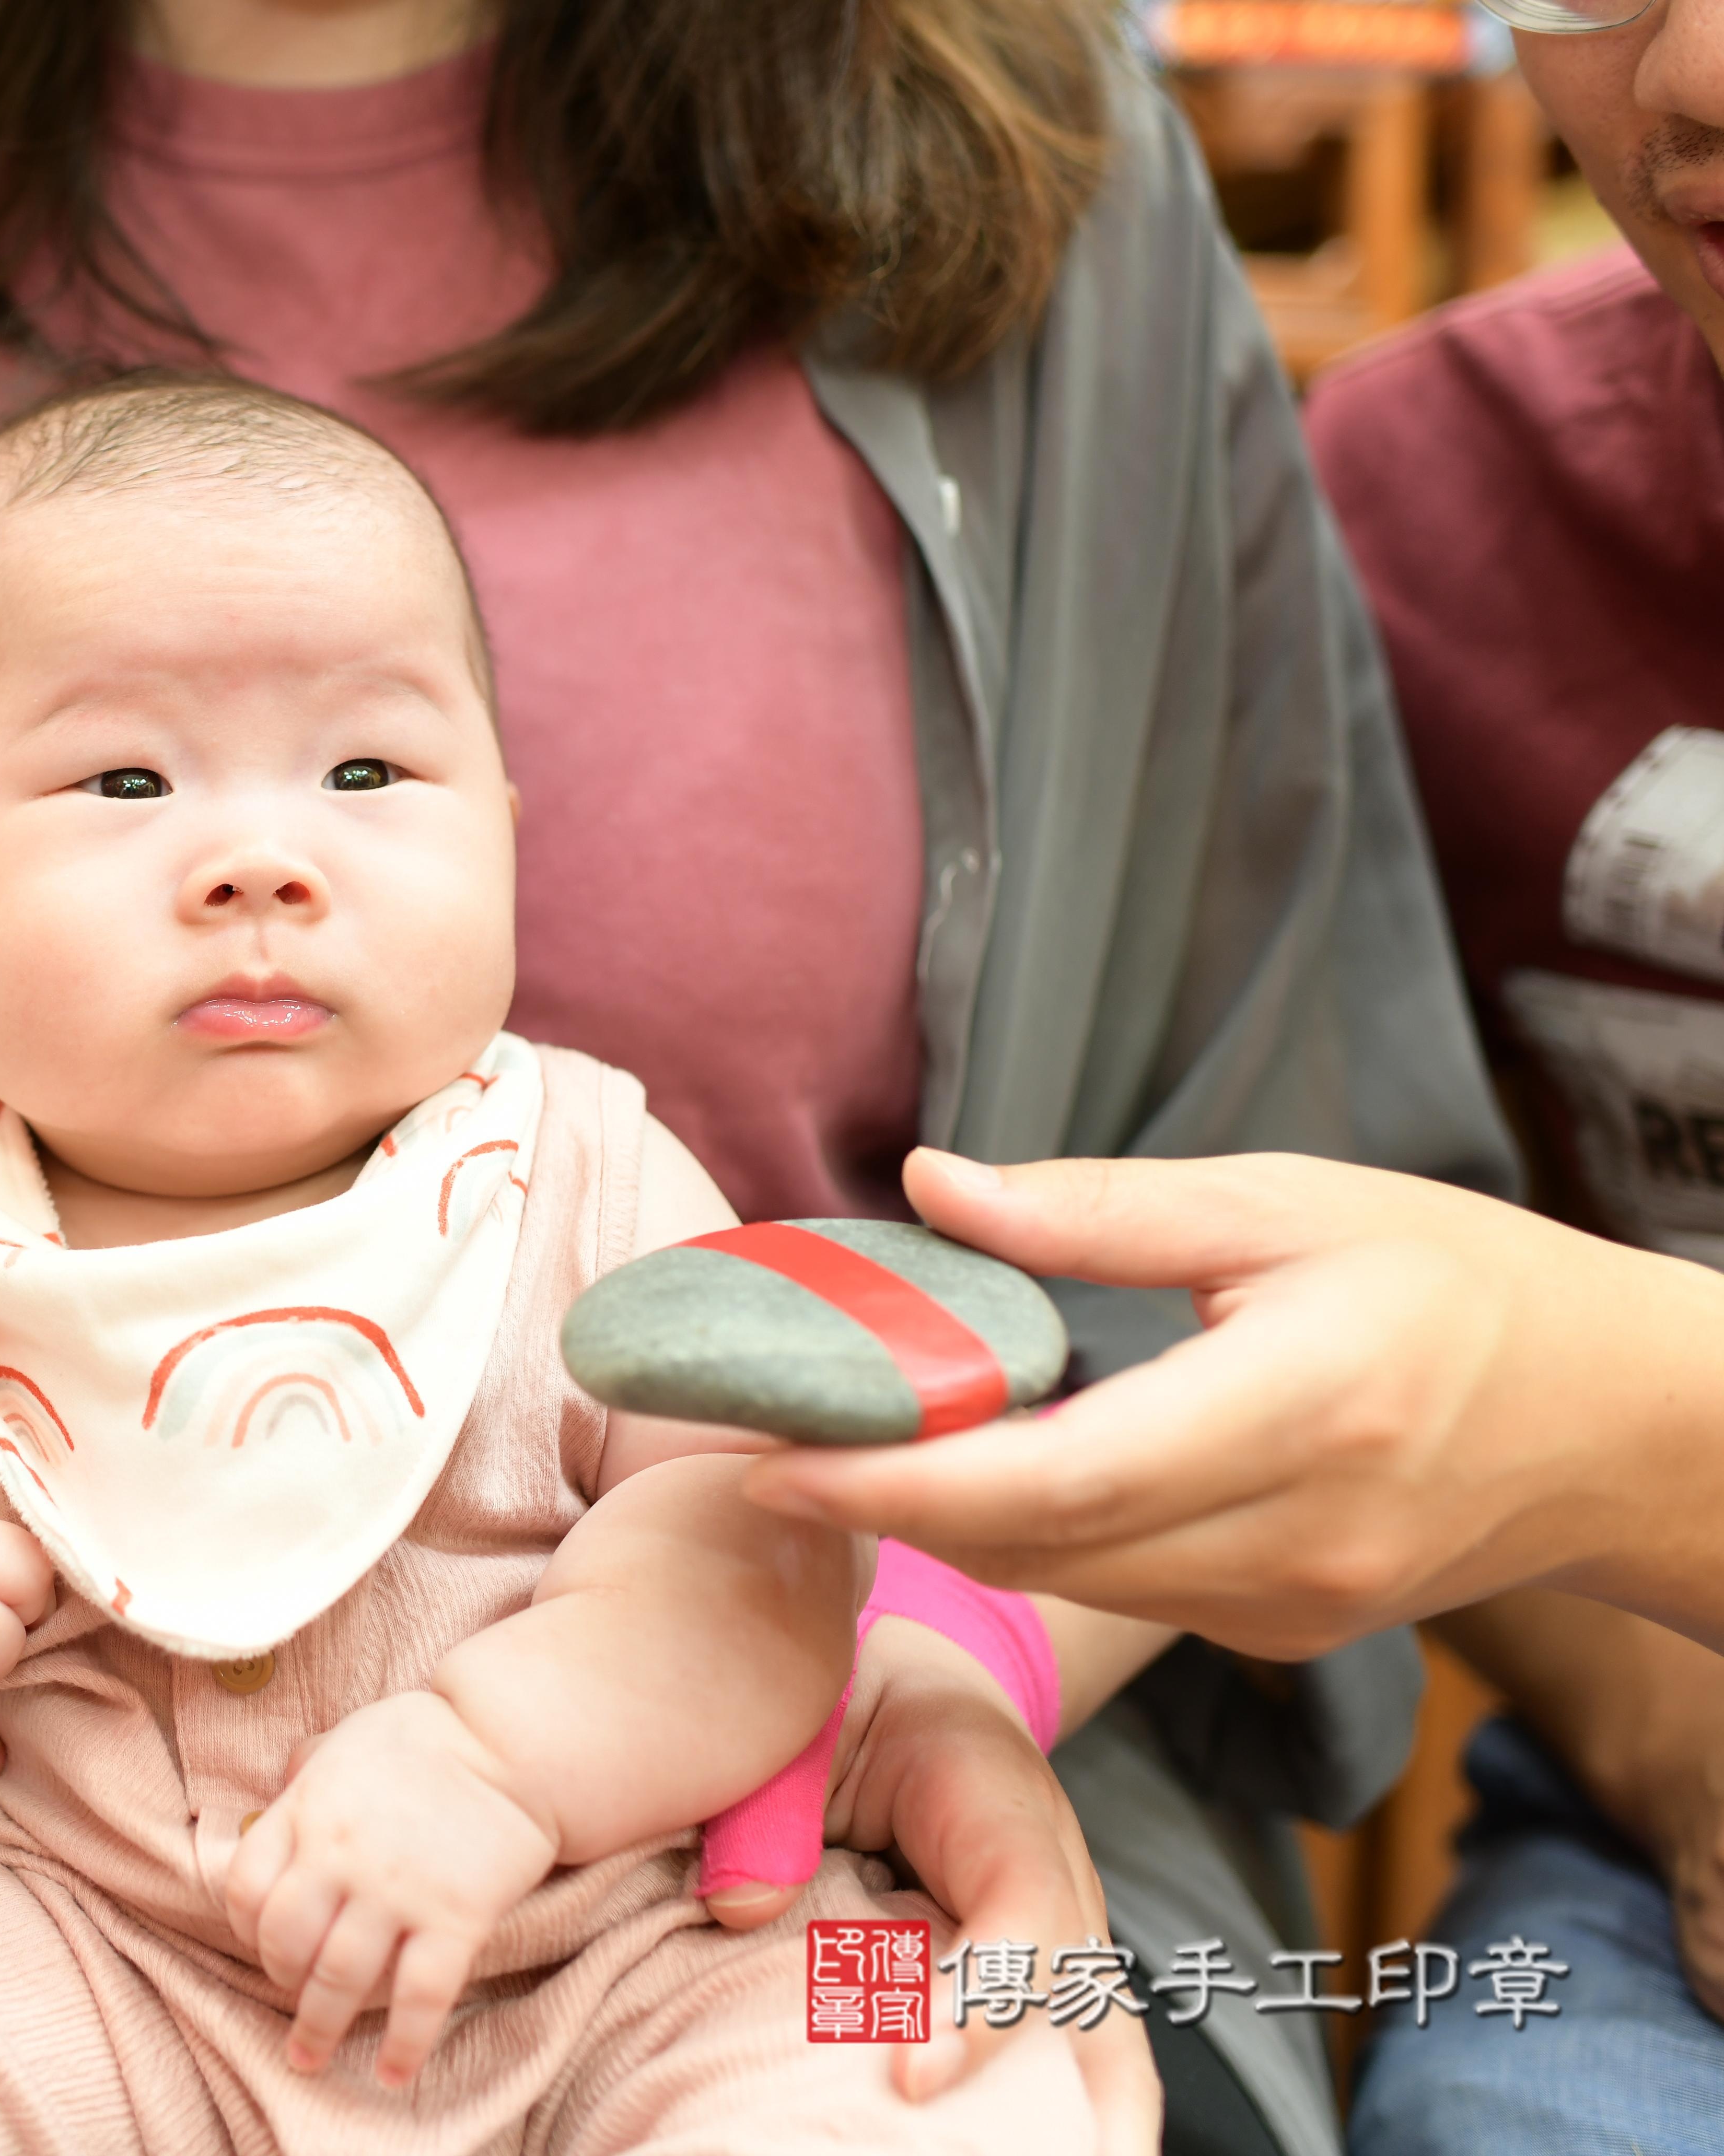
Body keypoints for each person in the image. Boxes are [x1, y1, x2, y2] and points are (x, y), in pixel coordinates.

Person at [0, 3, 1518, 2152]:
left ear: (513, 821)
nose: (257, 872)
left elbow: (1224, 1252)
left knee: (921, 2080)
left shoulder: (1046, 185)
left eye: (369, 777)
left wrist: (910, 1656)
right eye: (119, 791)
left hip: (708, 1883)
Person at [732, 9, 1724, 2147]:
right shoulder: (1421, 498)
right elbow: (1377, 1306)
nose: (1700, 66)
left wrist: (1618, 1422)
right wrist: (1677, 1748)